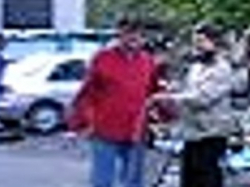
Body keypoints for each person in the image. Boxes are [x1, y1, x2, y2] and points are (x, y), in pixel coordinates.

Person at [68, 17, 162, 187]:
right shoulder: (102, 58)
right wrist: (81, 122)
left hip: (136, 130)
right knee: (102, 180)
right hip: (105, 130)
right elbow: (87, 92)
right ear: (120, 34)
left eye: (138, 33)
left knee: (133, 180)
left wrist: (164, 116)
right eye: (129, 32)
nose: (134, 37)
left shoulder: (148, 61)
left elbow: (154, 92)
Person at [169, 23, 239, 187]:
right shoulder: (196, 67)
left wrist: (171, 98)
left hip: (211, 136)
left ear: (214, 42)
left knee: (208, 180)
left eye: (201, 41)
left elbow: (203, 98)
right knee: (188, 179)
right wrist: (174, 88)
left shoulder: (222, 68)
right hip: (192, 133)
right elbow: (189, 90)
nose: (197, 46)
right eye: (195, 42)